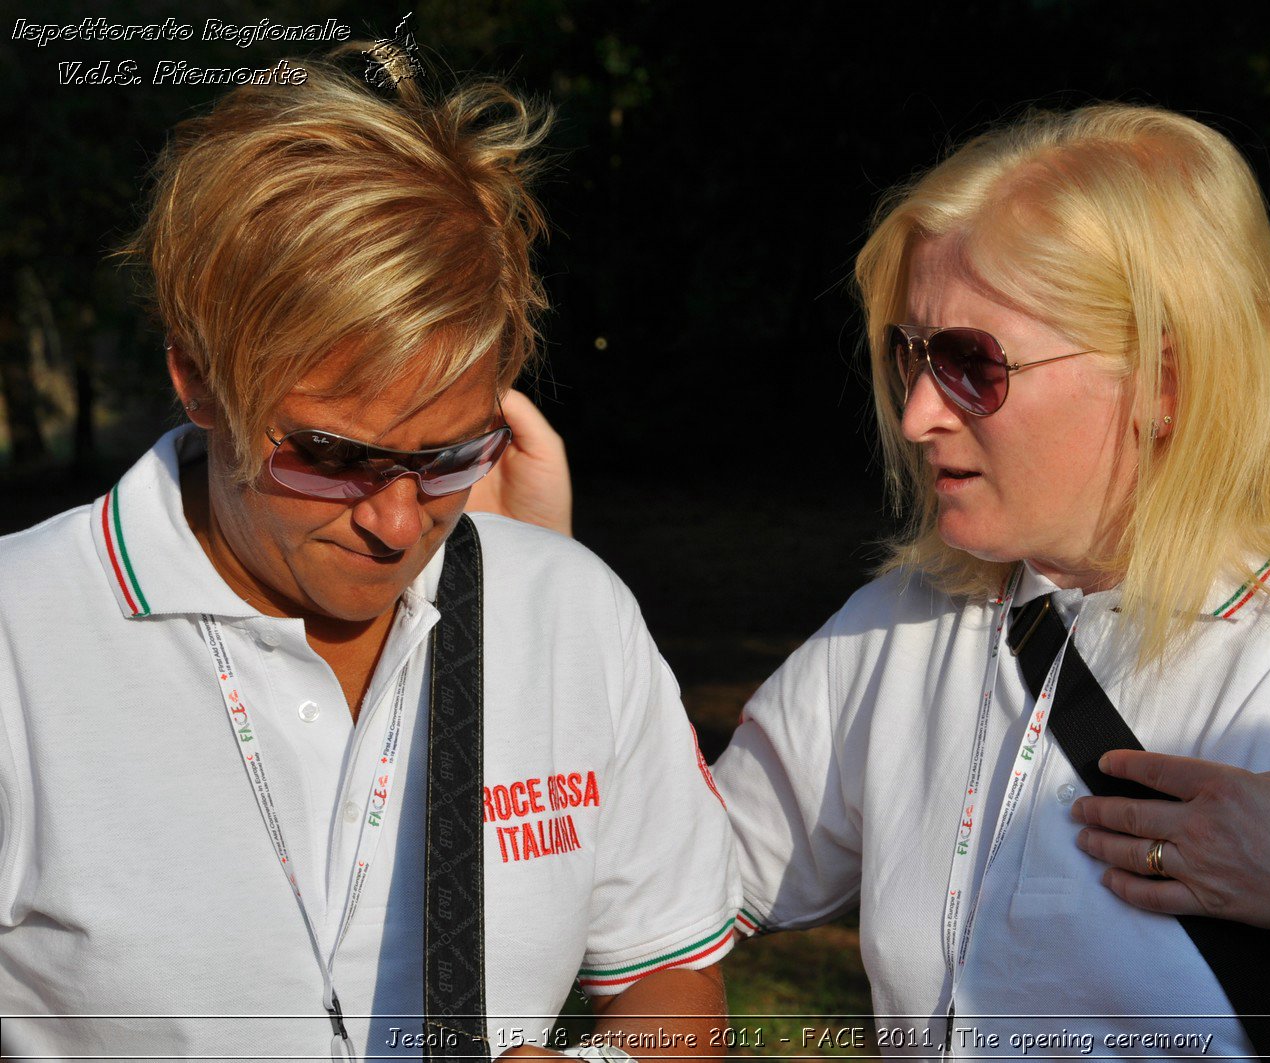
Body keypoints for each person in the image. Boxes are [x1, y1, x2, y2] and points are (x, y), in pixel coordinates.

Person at [480, 103, 1270, 1059]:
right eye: (907, 358)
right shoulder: (901, 631)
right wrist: (543, 607)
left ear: (1167, 377)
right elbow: (664, 884)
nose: (918, 415)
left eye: (973, 363)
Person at [0, 59, 737, 1060]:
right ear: (198, 378)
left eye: (450, 456)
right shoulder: (21, 638)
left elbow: (671, 969)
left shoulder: (570, 612)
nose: (397, 523)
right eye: (330, 455)